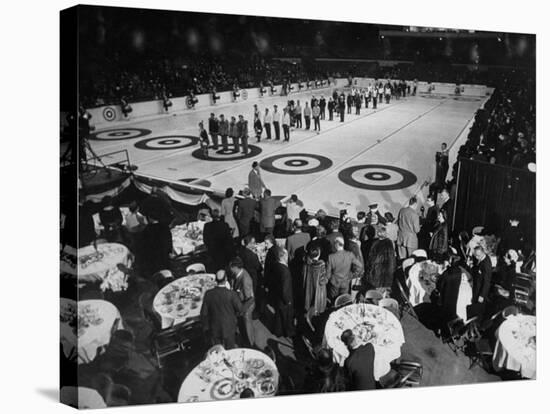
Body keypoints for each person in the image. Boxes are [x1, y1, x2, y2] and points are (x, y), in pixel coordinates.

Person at [200, 270, 242, 349]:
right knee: (230, 350)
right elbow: (240, 309)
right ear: (226, 279)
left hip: (215, 328)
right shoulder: (232, 294)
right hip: (229, 327)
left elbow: (203, 313)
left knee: (218, 351)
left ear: (216, 280)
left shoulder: (208, 294)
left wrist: (206, 328)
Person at [326, 237, 363, 301]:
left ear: (336, 244)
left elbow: (328, 274)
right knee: (344, 301)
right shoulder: (350, 254)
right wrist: (352, 275)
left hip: (334, 282)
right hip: (345, 282)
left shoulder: (331, 257)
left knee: (333, 301)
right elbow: (360, 265)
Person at [230, 257, 256, 347]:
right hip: (241, 303)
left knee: (247, 325)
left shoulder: (245, 280)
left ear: (236, 267)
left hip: (246, 307)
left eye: (231, 267)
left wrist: (241, 310)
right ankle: (245, 340)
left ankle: (251, 344)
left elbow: (250, 299)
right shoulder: (238, 274)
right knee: (242, 325)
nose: (230, 269)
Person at [303, 246, 328, 328]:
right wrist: (327, 278)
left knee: (309, 304)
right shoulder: (321, 265)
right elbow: (322, 281)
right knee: (317, 307)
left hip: (308, 288)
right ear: (318, 254)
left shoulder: (306, 263)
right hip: (318, 290)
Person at [272, 247, 295, 338]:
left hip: (277, 296)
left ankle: (278, 331)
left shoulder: (276, 265)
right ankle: (288, 332)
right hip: (285, 298)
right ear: (283, 256)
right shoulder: (286, 271)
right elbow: (286, 288)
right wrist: (288, 301)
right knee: (286, 317)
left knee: (279, 316)